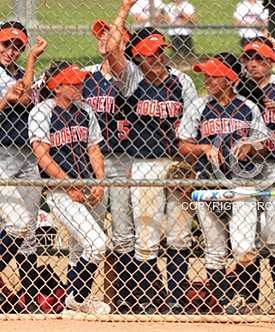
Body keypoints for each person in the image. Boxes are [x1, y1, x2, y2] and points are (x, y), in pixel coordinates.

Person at [107, 0, 197, 314]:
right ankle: (148, 299)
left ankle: (174, 300)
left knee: (179, 235)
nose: (158, 57)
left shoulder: (181, 81)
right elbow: (111, 52)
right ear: (139, 56)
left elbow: (191, 124)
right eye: (150, 52)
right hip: (143, 164)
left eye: (161, 51)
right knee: (146, 236)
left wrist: (190, 167)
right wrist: (122, 11)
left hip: (176, 164)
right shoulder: (132, 79)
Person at [178, 52, 269, 314]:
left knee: (243, 247)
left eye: (213, 76)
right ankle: (222, 303)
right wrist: (204, 147)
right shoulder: (198, 106)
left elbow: (264, 143)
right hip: (208, 185)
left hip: (241, 184)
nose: (207, 80)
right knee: (215, 248)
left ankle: (249, 301)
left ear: (229, 79)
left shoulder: (248, 108)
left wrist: (251, 147)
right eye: (205, 75)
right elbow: (183, 144)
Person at [29, 61, 110, 314]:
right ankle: (77, 298)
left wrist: (99, 181)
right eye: (73, 82)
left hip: (87, 187)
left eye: (80, 81)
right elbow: (42, 156)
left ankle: (75, 303)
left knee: (79, 249)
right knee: (97, 244)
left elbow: (93, 148)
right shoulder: (42, 112)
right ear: (56, 86)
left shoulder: (85, 110)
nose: (79, 85)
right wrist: (68, 185)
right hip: (59, 191)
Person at [239, 36, 275, 312]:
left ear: (271, 62)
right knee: (245, 235)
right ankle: (250, 301)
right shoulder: (238, 88)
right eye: (248, 58)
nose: (252, 64)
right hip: (248, 170)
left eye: (259, 59)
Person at [83, 19, 135, 313]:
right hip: (91, 163)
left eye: (111, 36)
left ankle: (123, 296)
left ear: (123, 43)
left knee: (124, 231)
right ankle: (83, 295)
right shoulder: (84, 77)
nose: (104, 40)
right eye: (100, 36)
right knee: (92, 229)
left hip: (121, 160)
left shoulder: (128, 76)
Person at [0, 21, 47, 313]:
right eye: (6, 44)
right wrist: (32, 60)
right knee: (16, 223)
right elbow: (22, 95)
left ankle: (28, 295)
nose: (11, 50)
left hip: (27, 157)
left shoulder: (19, 72)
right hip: (2, 156)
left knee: (27, 231)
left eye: (18, 46)